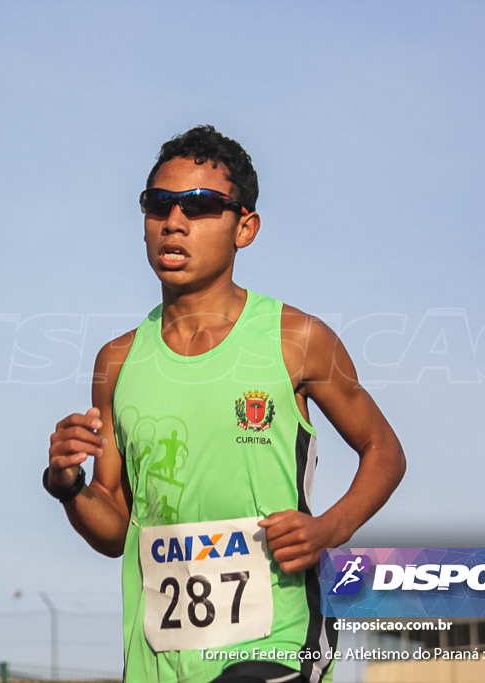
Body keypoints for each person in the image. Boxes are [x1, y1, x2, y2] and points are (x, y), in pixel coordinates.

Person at [44, 125, 405, 683]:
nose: (174, 221)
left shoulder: (295, 339)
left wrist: (328, 530)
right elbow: (116, 529)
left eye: (201, 206)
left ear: (245, 228)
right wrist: (68, 486)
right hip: (158, 663)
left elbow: (384, 450)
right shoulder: (116, 362)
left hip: (277, 642)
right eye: (159, 204)